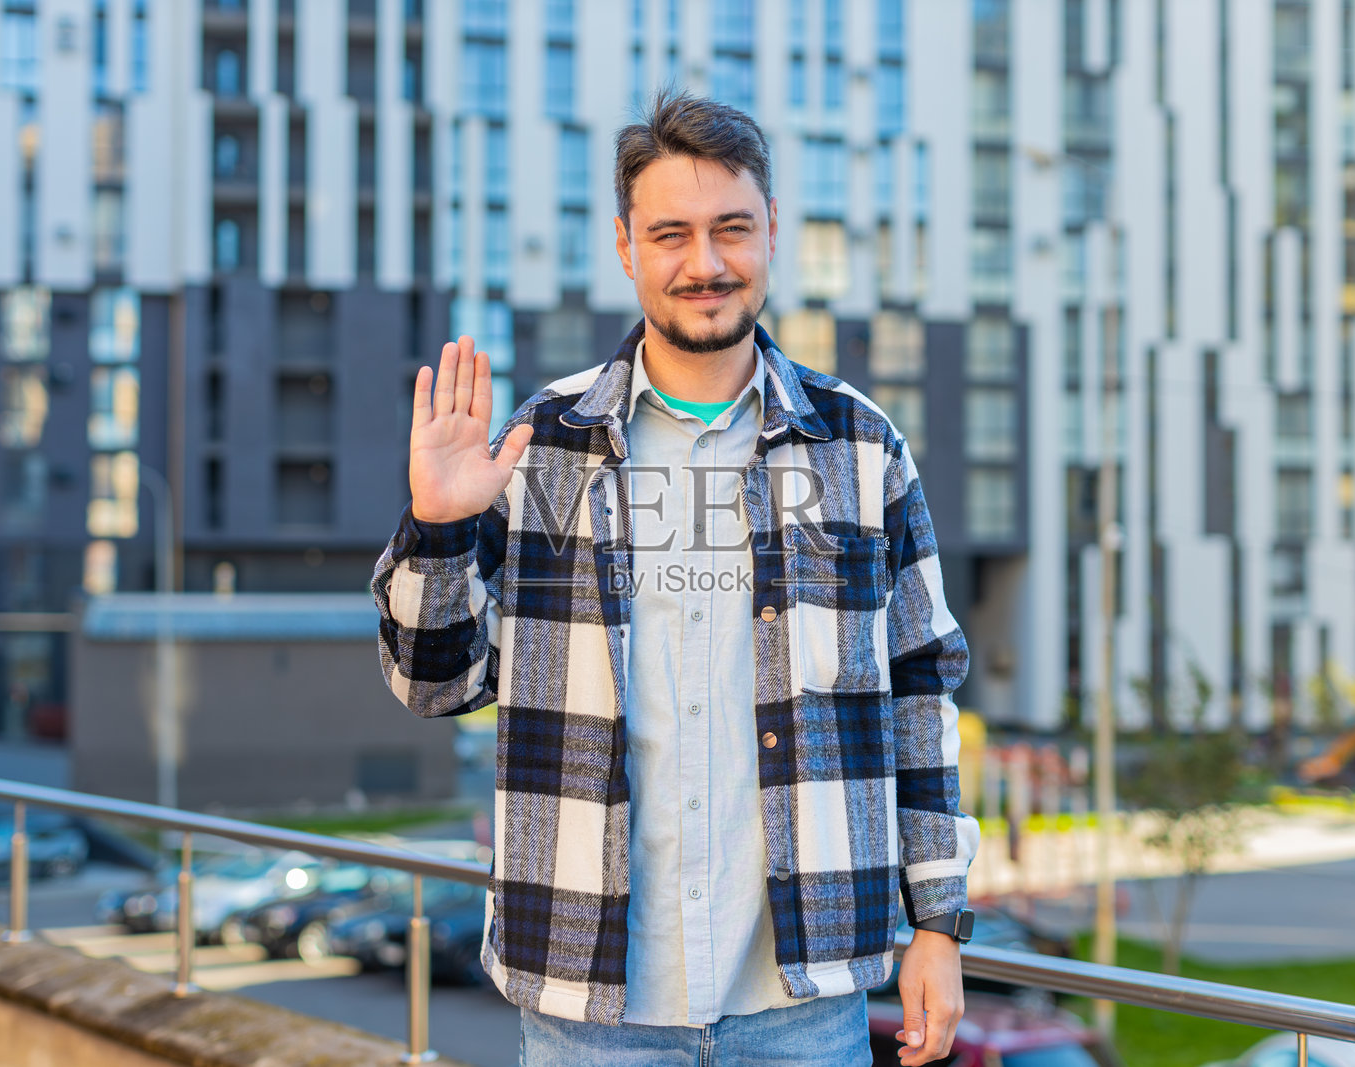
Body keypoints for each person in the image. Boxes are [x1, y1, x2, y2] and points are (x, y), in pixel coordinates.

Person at [371, 88, 978, 1066]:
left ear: (772, 231)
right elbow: (435, 681)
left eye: (731, 228)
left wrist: (938, 921)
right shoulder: (541, 443)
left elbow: (921, 690)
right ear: (625, 246)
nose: (705, 263)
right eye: (670, 234)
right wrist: (437, 525)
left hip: (804, 1001)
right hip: (586, 1007)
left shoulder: (859, 446)